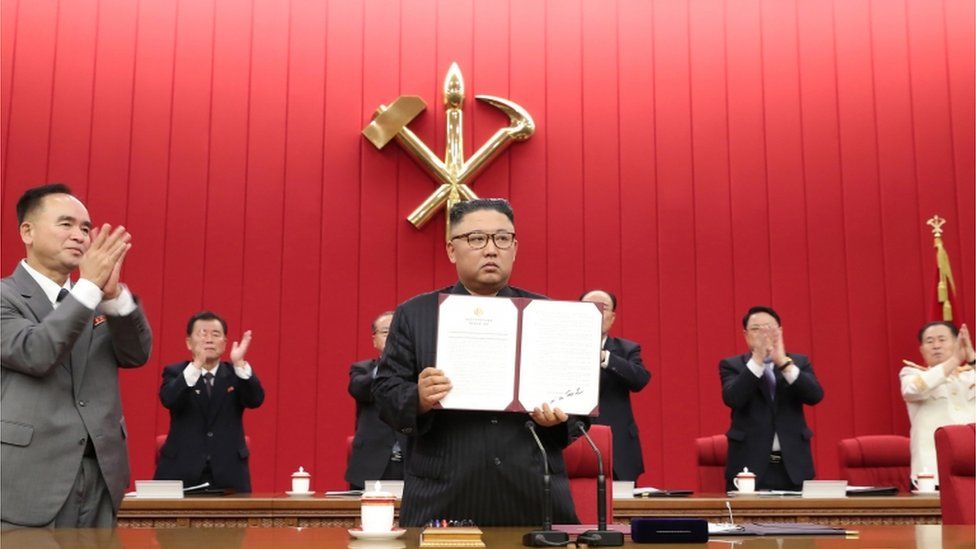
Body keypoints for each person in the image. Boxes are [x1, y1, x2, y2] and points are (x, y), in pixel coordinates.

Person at [372, 198, 580, 527]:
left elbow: (576, 404)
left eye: (502, 238)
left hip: (533, 496)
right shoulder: (416, 314)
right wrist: (419, 398)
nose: (491, 249)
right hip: (443, 497)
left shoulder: (549, 314)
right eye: (476, 239)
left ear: (515, 247)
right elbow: (385, 392)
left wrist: (560, 419)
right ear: (452, 250)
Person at [1, 183, 153, 528]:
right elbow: (35, 352)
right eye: (66, 224)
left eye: (86, 228)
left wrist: (112, 294)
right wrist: (88, 288)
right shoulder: (6, 297)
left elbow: (135, 354)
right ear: (28, 231)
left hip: (101, 476)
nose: (80, 236)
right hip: (28, 481)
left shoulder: (97, 299)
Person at [154, 311, 264, 493]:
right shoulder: (175, 372)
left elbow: (255, 400)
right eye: (202, 334)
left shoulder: (235, 373)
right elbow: (169, 399)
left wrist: (240, 364)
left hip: (229, 474)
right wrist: (196, 365)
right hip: (180, 471)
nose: (209, 339)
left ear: (225, 343)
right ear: (189, 343)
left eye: (215, 334)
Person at [719, 306, 824, 491]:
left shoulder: (799, 363)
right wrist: (758, 358)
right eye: (756, 329)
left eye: (769, 328)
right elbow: (733, 398)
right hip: (748, 467)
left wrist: (783, 363)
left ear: (780, 332)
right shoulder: (732, 365)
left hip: (794, 465)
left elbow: (815, 395)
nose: (763, 334)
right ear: (746, 335)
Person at [579, 289, 650, 481]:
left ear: (612, 318)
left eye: (602, 308)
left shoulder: (627, 349)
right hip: (573, 441)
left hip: (618, 446)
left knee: (621, 507)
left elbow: (640, 379)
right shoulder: (560, 348)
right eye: (589, 307)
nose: (595, 312)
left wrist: (605, 357)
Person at [900, 321, 975, 483]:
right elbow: (913, 390)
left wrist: (972, 357)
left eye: (942, 339)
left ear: (957, 343)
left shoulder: (970, 376)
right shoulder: (911, 374)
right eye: (929, 341)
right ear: (921, 349)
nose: (936, 346)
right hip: (932, 472)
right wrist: (954, 361)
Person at [345, 311, 407, 490]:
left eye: (399, 331)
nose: (394, 336)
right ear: (374, 339)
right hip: (371, 464)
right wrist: (388, 362)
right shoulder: (362, 369)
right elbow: (358, 390)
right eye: (387, 331)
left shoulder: (421, 371)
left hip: (412, 463)